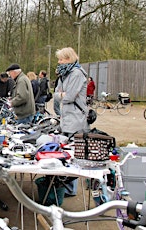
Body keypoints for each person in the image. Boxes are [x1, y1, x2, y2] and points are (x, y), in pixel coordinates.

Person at [54, 47, 89, 197]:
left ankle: (71, 188)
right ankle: (66, 186)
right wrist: (61, 94)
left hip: (75, 118)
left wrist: (60, 94)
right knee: (66, 152)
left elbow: (69, 97)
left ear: (69, 59)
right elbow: (57, 93)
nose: (59, 62)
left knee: (73, 154)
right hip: (67, 117)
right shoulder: (65, 74)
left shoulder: (76, 73)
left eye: (61, 59)